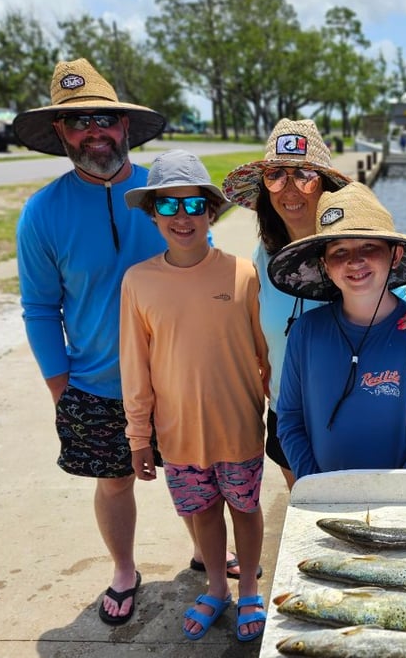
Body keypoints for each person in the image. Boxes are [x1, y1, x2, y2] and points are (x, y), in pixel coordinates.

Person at [14, 58, 242, 627]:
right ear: (62, 134)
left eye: (105, 119)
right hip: (95, 382)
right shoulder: (42, 213)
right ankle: (123, 569)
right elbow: (41, 308)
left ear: (125, 127)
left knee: (198, 478)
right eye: (79, 122)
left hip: (181, 376)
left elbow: (213, 272)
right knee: (114, 483)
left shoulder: (167, 194)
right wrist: (60, 387)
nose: (95, 131)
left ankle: (204, 552)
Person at [222, 118, 406, 489]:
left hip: (365, 416)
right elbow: (262, 326)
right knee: (307, 505)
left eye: (305, 176)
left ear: (325, 185)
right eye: (276, 175)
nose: (290, 188)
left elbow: (397, 314)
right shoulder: (262, 256)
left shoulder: (365, 258)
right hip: (288, 410)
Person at [120, 151, 269, 641]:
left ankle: (247, 587)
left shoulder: (243, 274)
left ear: (211, 211)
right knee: (201, 513)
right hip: (179, 435)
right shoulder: (138, 282)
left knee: (245, 509)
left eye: (192, 205)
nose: (182, 217)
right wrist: (139, 436)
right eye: (168, 206)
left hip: (239, 428)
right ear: (152, 214)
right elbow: (135, 367)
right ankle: (215, 587)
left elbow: (264, 355)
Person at [268, 182, 406, 478]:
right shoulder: (305, 333)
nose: (355, 261)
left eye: (369, 246)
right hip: (321, 494)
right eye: (340, 251)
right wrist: (316, 486)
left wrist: (387, 508)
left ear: (394, 256)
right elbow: (291, 420)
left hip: (395, 507)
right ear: (325, 265)